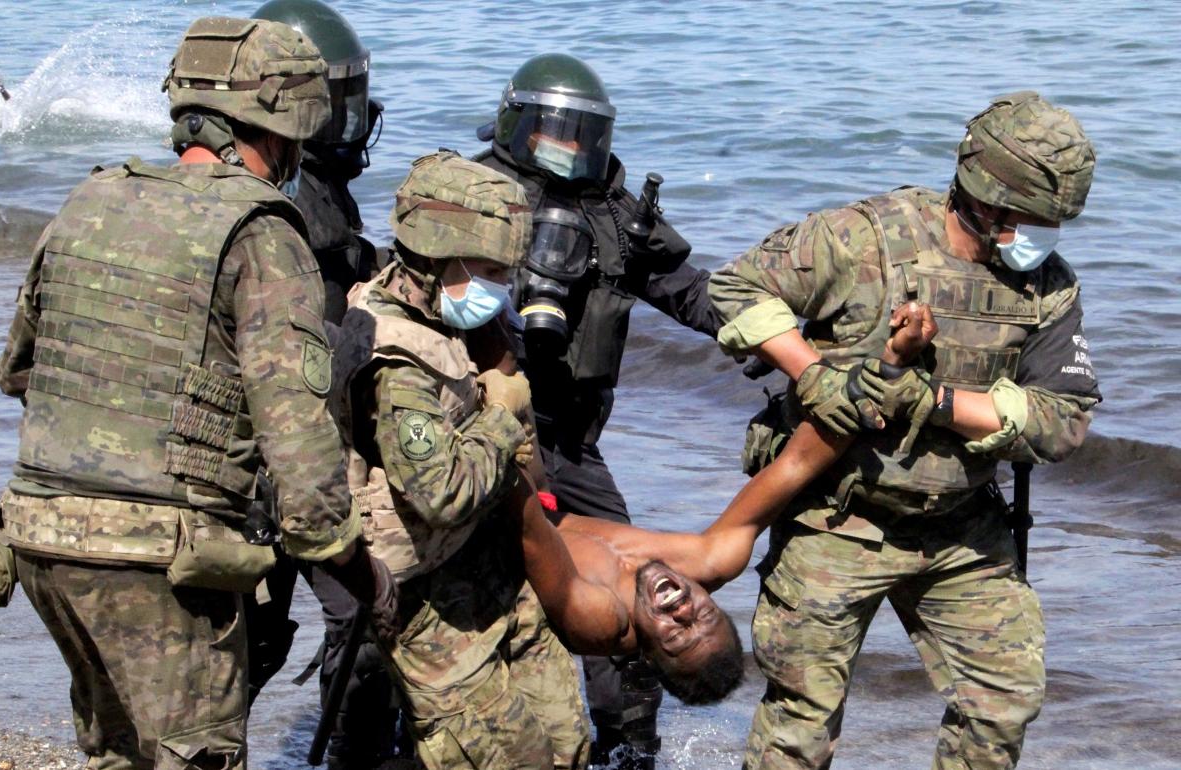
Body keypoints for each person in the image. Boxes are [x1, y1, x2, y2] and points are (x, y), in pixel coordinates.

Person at [0, 17, 393, 769]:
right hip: (156, 559)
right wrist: (356, 568)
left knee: (118, 752)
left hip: (42, 536)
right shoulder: (267, 234)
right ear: (277, 131)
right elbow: (300, 456)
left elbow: (18, 370)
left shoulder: (93, 198)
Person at [709, 91, 1100, 770]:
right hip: (838, 518)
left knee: (1004, 700)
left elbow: (1062, 421)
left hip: (960, 526)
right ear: (987, 197)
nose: (1047, 237)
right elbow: (737, 287)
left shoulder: (1048, 288)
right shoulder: (863, 237)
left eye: (1056, 223)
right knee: (799, 724)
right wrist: (812, 375)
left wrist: (935, 400)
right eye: (1036, 220)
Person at [474, 52, 722, 768]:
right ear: (516, 126)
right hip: (477, 421)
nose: (568, 147)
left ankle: (629, 747)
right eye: (554, 130)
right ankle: (371, 739)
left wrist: (777, 332)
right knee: (428, 590)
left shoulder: (618, 214)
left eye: (584, 134)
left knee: (629, 584)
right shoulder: (473, 192)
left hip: (571, 438)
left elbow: (692, 294)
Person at [510, 303, 936, 707]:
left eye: (675, 635)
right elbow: (796, 466)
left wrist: (498, 400)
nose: (682, 611)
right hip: (540, 504)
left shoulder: (601, 619)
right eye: (704, 616)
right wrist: (890, 365)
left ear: (650, 655)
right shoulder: (712, 560)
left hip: (499, 525)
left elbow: (526, 528)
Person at [328, 149, 590, 770]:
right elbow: (441, 493)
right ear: (439, 253)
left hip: (489, 567)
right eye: (492, 268)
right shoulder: (397, 357)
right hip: (424, 598)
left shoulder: (451, 317)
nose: (502, 283)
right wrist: (501, 416)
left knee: (566, 744)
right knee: (504, 759)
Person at [240, 3, 401, 767]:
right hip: (283, 457)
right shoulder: (290, 206)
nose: (354, 120)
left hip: (295, 450)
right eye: (340, 101)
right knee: (352, 616)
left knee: (271, 632)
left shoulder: (313, 188)